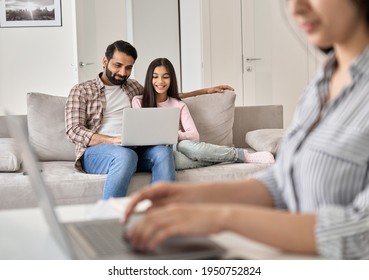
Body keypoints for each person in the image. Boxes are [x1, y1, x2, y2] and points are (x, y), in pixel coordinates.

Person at [123, 0, 369, 259]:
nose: (295, 8)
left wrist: (220, 217)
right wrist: (192, 195)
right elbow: (284, 183)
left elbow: (359, 234)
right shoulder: (320, 84)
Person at [65, 40, 233, 199]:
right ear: (105, 61)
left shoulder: (132, 87)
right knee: (125, 156)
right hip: (98, 153)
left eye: (128, 67)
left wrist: (204, 91)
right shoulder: (81, 90)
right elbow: (73, 130)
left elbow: (161, 93)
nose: (123, 72)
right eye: (118, 65)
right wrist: (113, 140)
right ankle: (111, 217)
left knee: (163, 151)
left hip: (135, 148)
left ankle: (162, 213)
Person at [132, 57, 275, 170]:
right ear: (149, 79)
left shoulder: (179, 104)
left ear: (171, 79)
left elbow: (194, 136)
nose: (160, 81)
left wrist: (175, 135)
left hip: (179, 146)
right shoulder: (138, 102)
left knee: (187, 146)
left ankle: (243, 155)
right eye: (155, 77)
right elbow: (140, 134)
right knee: (173, 159)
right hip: (157, 153)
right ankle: (234, 156)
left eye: (165, 77)